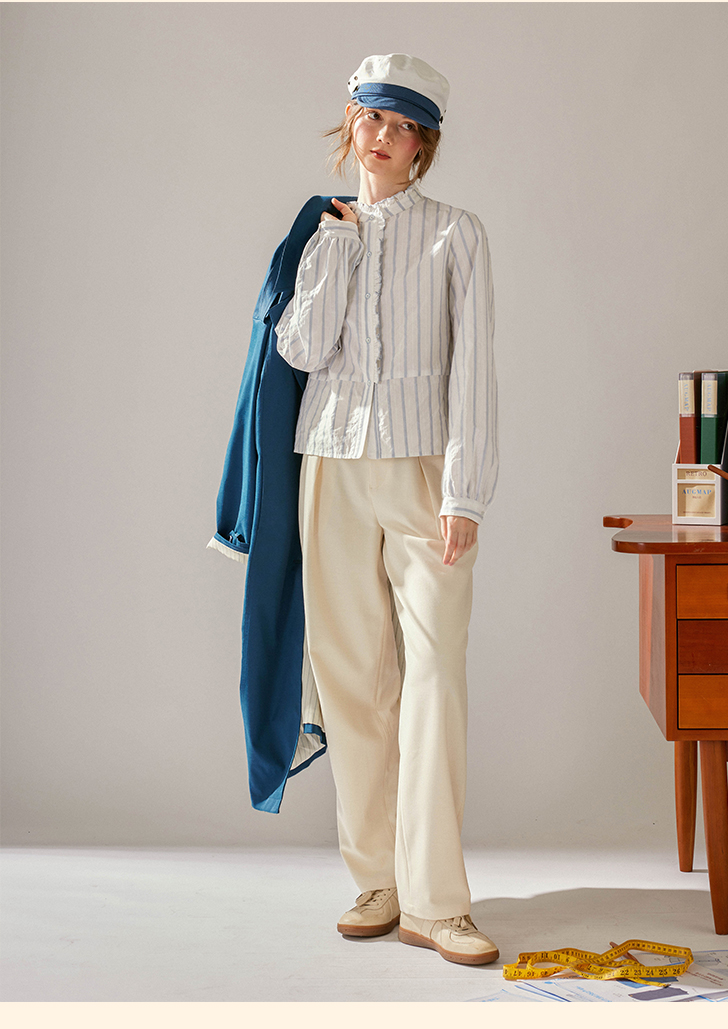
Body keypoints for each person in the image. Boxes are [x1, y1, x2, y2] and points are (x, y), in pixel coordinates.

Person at [275, 53, 499, 966]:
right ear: (351, 122)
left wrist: (465, 491)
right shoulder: (322, 232)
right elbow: (300, 349)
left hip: (422, 471)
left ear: (423, 146)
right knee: (350, 678)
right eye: (372, 116)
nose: (383, 136)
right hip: (330, 465)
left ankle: (439, 901)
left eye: (404, 125)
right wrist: (333, 250)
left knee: (434, 674)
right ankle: (379, 880)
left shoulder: (456, 234)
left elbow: (474, 367)